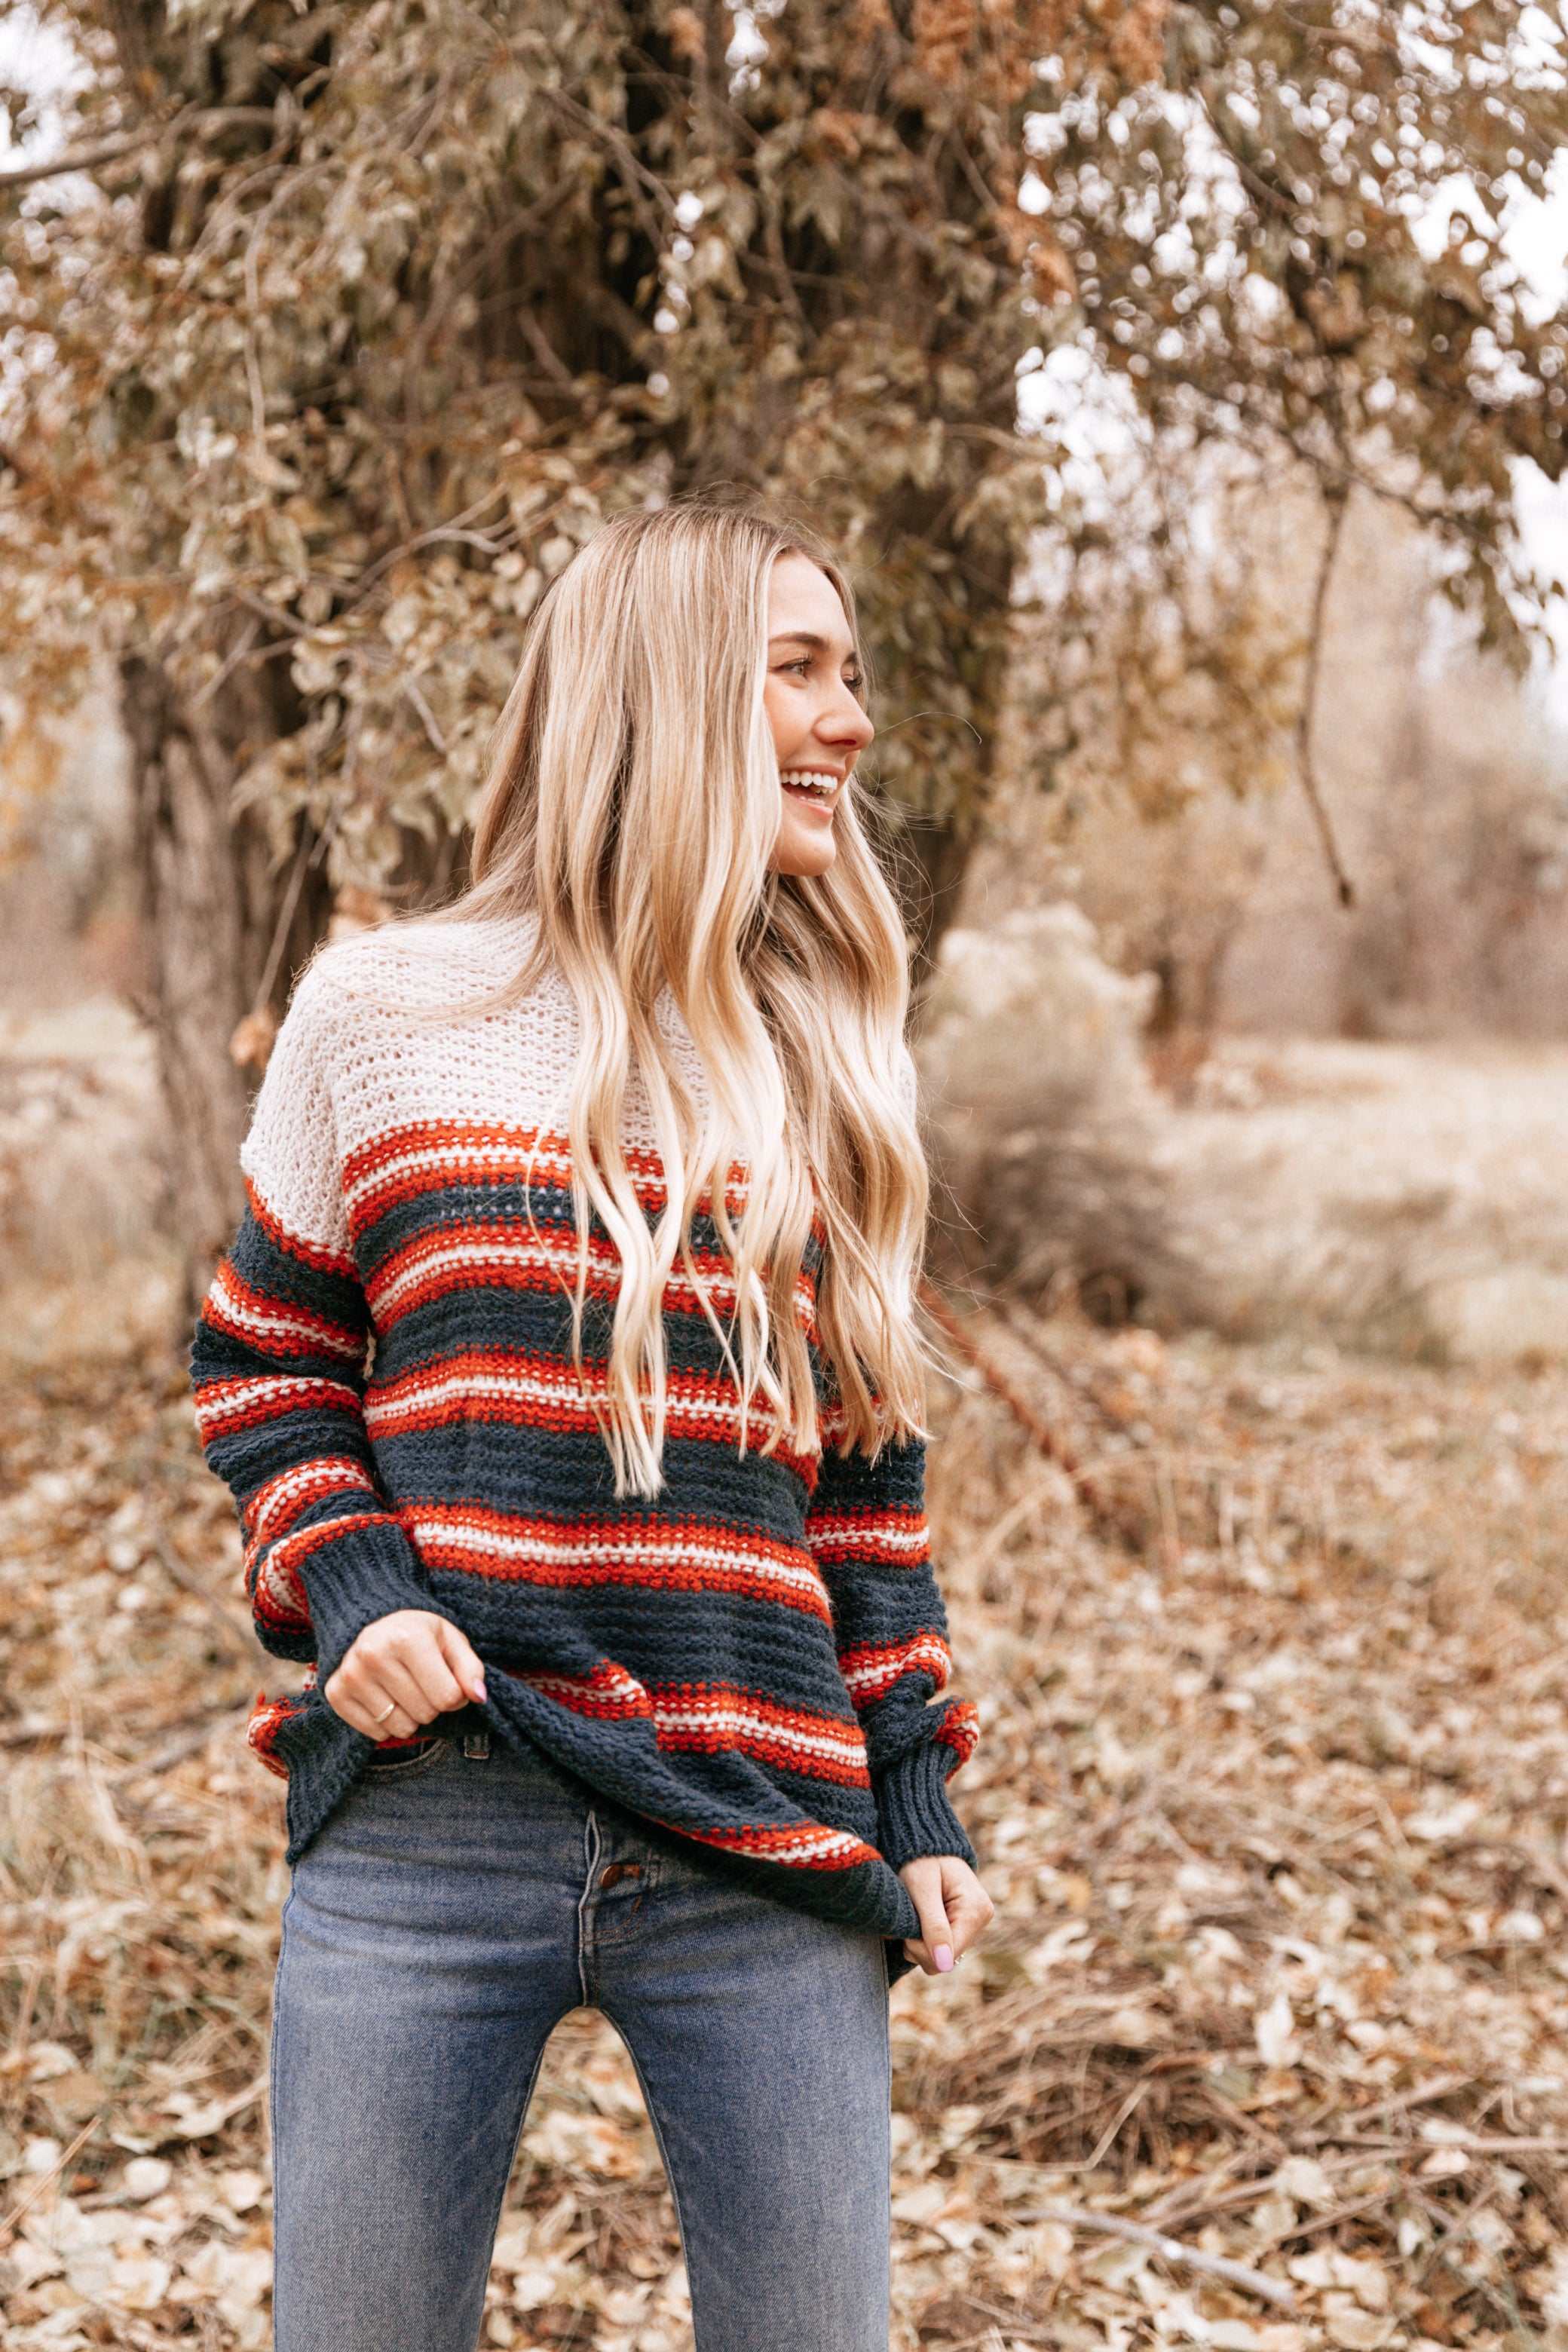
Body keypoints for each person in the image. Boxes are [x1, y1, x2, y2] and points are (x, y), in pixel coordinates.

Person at [191, 501, 993, 2352]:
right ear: (657, 697)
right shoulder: (383, 1014)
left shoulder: (821, 1052)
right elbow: (264, 1356)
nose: (849, 721)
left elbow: (864, 1477)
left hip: (758, 1824)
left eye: (848, 674)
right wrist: (357, 1584)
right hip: (430, 1820)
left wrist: (913, 1777)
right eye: (796, 670)